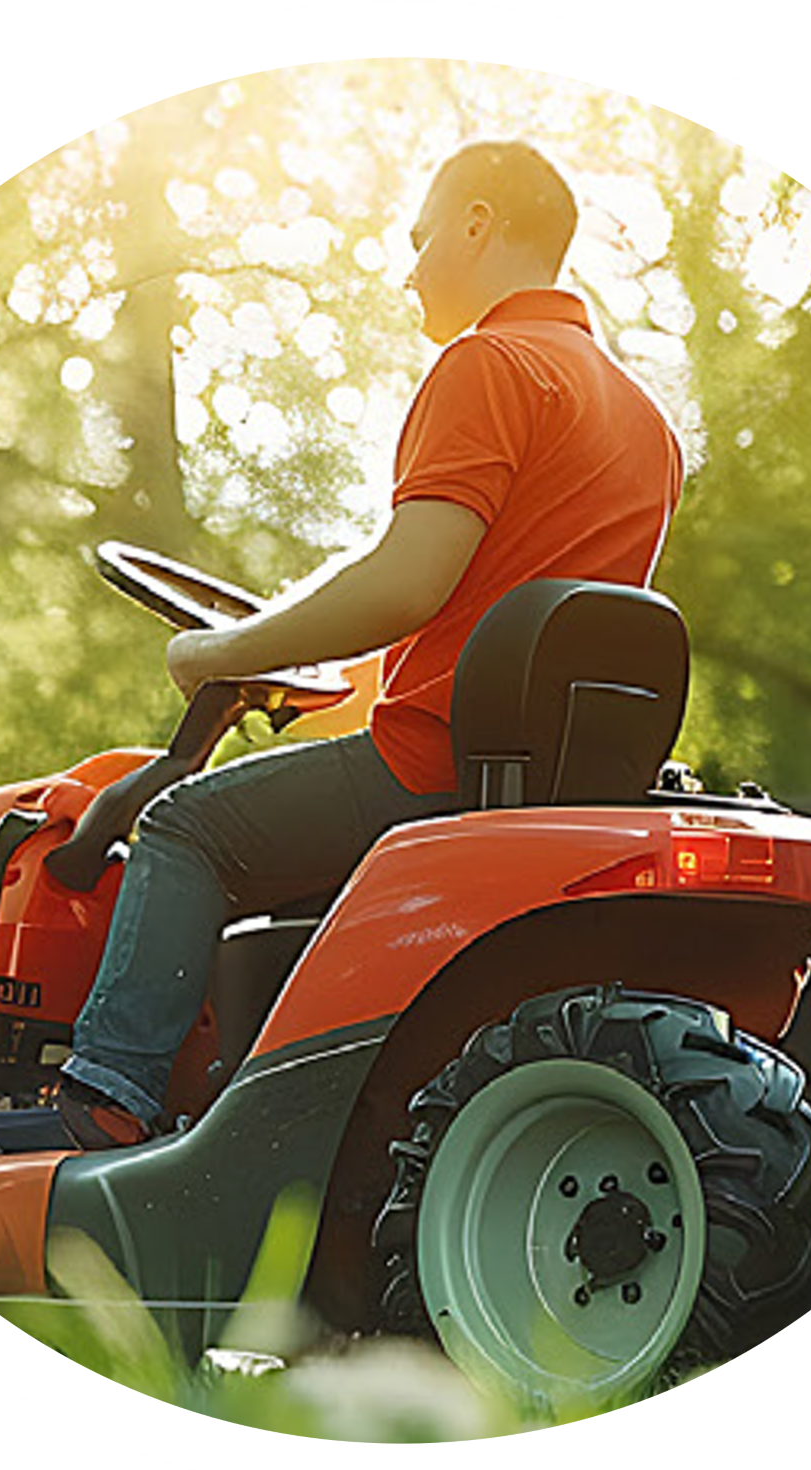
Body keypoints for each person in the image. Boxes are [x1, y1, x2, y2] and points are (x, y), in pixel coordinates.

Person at [53, 140, 685, 1148]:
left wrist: (224, 651)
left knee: (182, 828)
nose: (409, 267)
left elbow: (407, 580)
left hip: (433, 768)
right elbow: (501, 614)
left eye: (421, 236)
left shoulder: (490, 363)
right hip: (542, 777)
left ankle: (103, 1101)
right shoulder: (646, 421)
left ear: (478, 222)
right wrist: (333, 680)